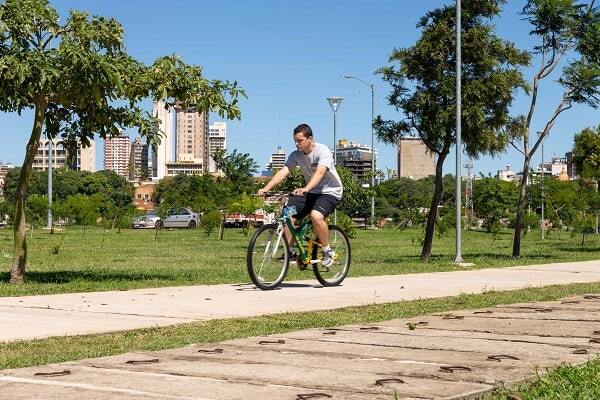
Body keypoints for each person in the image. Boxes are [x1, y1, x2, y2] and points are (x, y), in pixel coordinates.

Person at [258, 123, 343, 267]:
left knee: (316, 216)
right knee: (287, 215)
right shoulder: (295, 155)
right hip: (310, 192)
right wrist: (266, 188)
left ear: (310, 139)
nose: (297, 144)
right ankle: (290, 252)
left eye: (300, 141)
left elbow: (320, 173)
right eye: (295, 141)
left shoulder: (323, 151)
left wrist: (306, 188)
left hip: (329, 191)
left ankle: (328, 251)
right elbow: (284, 171)